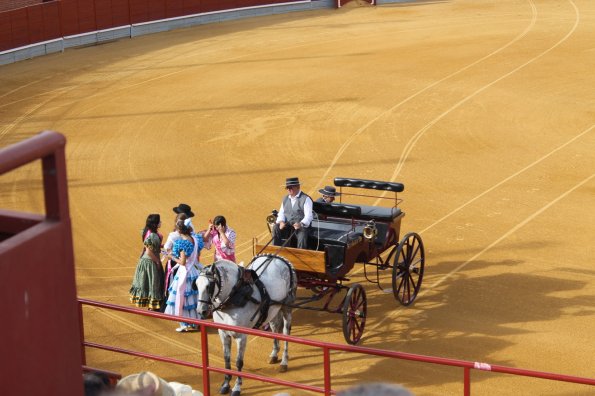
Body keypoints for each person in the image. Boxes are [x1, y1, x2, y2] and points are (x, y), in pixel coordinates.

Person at [164, 218, 203, 332]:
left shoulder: (182, 243)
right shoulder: (195, 239)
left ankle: (185, 324)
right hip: (195, 271)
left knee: (184, 297)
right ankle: (195, 322)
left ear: (179, 231)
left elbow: (182, 262)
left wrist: (171, 256)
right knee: (194, 298)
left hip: (185, 273)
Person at [130, 214, 165, 311]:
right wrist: (157, 261)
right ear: (155, 224)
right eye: (159, 221)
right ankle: (152, 307)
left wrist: (162, 246)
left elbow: (152, 247)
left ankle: (151, 306)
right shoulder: (152, 235)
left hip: (147, 261)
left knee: (148, 283)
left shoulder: (148, 232)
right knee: (153, 283)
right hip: (150, 261)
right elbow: (148, 251)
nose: (161, 222)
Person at [272, 177, 313, 249]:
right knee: (276, 227)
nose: (288, 189)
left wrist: (300, 224)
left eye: (290, 187)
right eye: (287, 188)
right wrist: (281, 222)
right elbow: (281, 213)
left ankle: (300, 254)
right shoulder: (285, 198)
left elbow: (308, 216)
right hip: (288, 225)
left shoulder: (306, 199)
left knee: (302, 234)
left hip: (300, 226)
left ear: (298, 187)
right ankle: (275, 249)